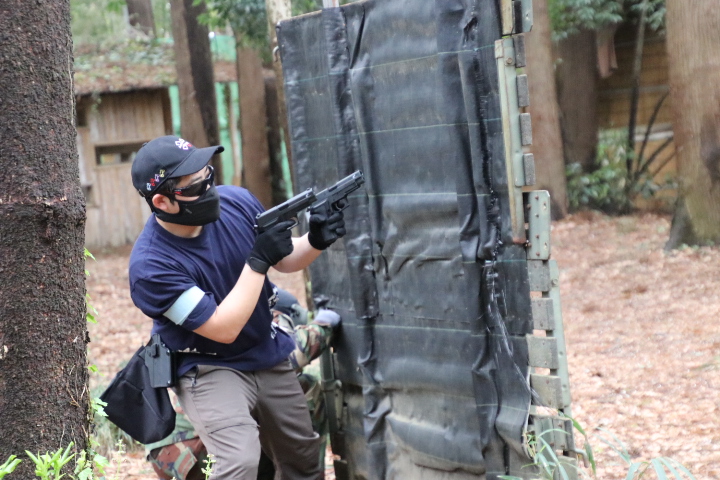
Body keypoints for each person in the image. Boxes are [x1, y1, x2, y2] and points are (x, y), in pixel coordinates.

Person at [128, 135, 346, 480]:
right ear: (162, 201)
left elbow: (284, 258)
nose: (210, 189)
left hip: (266, 350)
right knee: (239, 462)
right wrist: (258, 261)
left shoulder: (237, 202)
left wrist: (316, 239)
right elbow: (223, 328)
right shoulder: (151, 267)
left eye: (209, 175)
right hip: (209, 366)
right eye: (196, 186)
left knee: (303, 457)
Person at [144, 292, 341, 480]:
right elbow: (292, 354)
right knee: (305, 388)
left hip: (164, 450)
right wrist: (325, 324)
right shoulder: (262, 318)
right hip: (197, 447)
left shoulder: (220, 319)